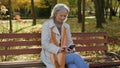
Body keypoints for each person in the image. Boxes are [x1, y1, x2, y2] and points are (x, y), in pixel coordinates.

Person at [40, 3, 89, 68]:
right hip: (51, 54)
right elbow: (45, 43)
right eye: (61, 15)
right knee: (76, 57)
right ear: (55, 14)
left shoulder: (66, 26)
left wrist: (71, 49)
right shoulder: (47, 25)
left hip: (65, 54)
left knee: (73, 66)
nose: (63, 18)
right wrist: (58, 49)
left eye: (65, 16)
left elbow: (69, 41)